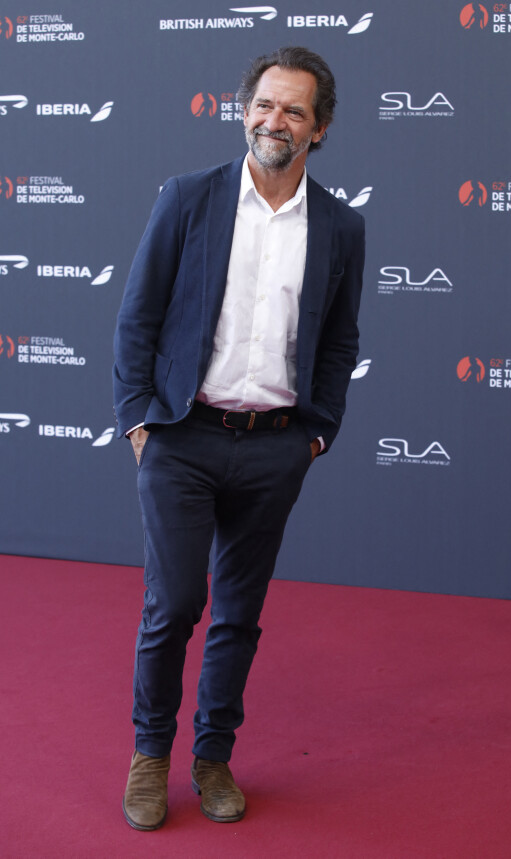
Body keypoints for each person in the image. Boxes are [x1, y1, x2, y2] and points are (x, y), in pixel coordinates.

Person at [113, 45, 365, 832]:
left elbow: (339, 340)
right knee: (177, 603)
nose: (274, 120)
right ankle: (150, 755)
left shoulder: (340, 225)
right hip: (182, 436)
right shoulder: (187, 198)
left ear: (319, 128)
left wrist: (316, 433)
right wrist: (137, 417)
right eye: (263, 104)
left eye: (294, 109)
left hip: (274, 446)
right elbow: (139, 314)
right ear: (242, 109)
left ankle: (212, 756)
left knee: (239, 614)